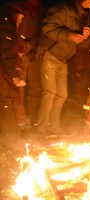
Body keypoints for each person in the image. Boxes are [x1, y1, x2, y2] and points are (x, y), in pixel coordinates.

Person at [36, 0, 90, 135]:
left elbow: (83, 45)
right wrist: (69, 35)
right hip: (50, 55)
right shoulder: (63, 9)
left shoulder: (86, 17)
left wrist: (86, 37)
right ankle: (41, 129)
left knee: (62, 95)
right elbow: (47, 27)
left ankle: (54, 129)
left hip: (64, 60)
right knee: (50, 93)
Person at [8, 0, 45, 130]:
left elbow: (40, 33)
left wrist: (28, 47)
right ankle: (21, 124)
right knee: (19, 91)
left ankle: (31, 123)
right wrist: (17, 49)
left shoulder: (40, 10)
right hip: (18, 55)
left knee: (35, 90)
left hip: (32, 55)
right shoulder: (17, 6)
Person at [0, 4, 27, 144]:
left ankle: (11, 136)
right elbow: (5, 52)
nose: (22, 19)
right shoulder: (6, 20)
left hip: (4, 68)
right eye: (22, 16)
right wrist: (14, 76)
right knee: (6, 101)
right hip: (3, 69)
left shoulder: (6, 19)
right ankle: (12, 139)